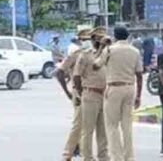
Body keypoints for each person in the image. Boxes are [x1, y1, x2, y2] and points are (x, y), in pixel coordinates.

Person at [95, 26, 143, 161]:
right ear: (127, 36)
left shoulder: (109, 50)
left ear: (115, 36)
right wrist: (138, 95)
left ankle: (117, 157)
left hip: (114, 88)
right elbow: (139, 75)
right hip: (129, 88)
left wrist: (101, 47)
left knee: (112, 125)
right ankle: (129, 157)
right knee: (127, 125)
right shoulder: (135, 51)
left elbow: (95, 65)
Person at [54, 28, 91, 161]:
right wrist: (68, 92)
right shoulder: (76, 54)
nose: (88, 42)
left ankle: (83, 150)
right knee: (79, 123)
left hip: (93, 92)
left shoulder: (96, 54)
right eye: (85, 40)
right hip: (80, 92)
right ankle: (68, 153)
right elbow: (59, 72)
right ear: (80, 41)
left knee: (90, 124)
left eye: (90, 39)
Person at [73, 27, 109, 161]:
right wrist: (81, 93)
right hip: (90, 93)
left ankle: (103, 155)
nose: (101, 41)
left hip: (104, 94)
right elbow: (77, 76)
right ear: (93, 39)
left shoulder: (107, 54)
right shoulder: (85, 55)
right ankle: (87, 157)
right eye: (99, 38)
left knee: (103, 130)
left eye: (103, 38)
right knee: (88, 130)